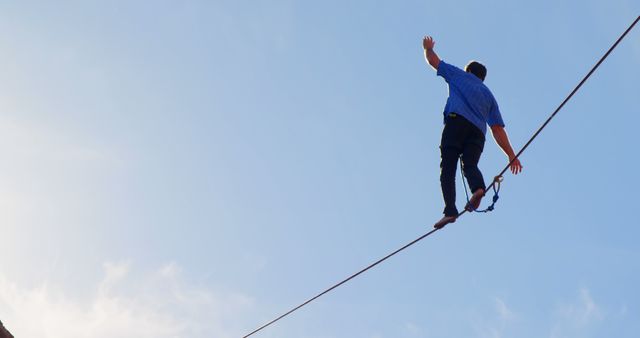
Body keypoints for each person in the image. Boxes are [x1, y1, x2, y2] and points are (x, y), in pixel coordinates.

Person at [422, 36, 523, 229]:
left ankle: (450, 210)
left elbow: (434, 61)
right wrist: (511, 154)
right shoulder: (488, 95)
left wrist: (427, 48)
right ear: (483, 78)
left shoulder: (459, 75)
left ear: (469, 71)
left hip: (456, 123)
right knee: (470, 165)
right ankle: (478, 188)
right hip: (478, 133)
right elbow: (497, 129)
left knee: (448, 166)